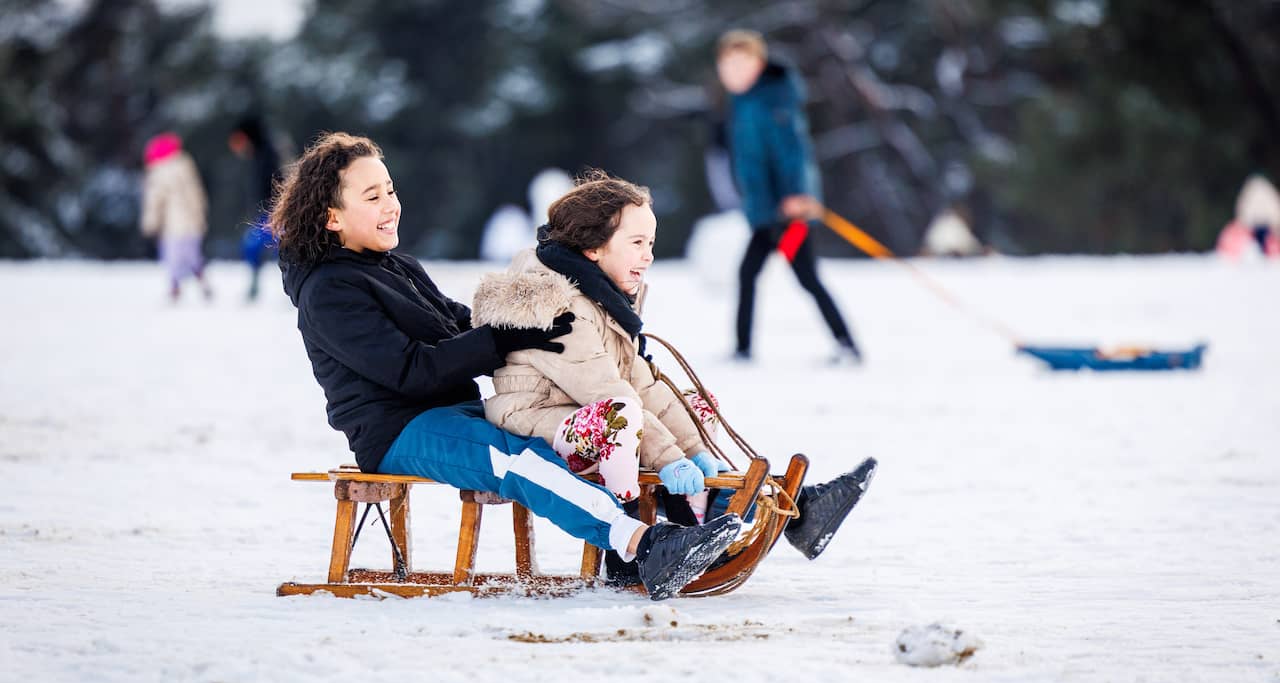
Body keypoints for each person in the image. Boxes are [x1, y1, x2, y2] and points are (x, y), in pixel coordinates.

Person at [270, 132, 741, 600]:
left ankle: (701, 513)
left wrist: (544, 325)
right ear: (331, 217)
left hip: (460, 412)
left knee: (581, 430)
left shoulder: (395, 266)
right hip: (399, 429)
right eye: (372, 196)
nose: (390, 204)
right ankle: (640, 544)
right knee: (519, 461)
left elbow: (461, 324)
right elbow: (412, 370)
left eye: (390, 190)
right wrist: (503, 338)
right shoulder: (329, 292)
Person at [470, 170, 878, 582]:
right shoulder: (559, 305)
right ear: (593, 248)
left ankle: (783, 512)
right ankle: (636, 552)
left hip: (584, 410)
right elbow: (608, 392)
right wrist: (671, 459)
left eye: (650, 242)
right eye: (636, 243)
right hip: (534, 418)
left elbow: (642, 383)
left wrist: (696, 450)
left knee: (694, 405)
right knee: (621, 418)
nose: (648, 255)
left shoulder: (604, 293)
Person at [716, 29, 862, 365]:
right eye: (727, 65)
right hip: (765, 213)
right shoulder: (743, 101)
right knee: (749, 273)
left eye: (742, 63)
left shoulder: (774, 98)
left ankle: (847, 345)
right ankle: (742, 348)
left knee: (804, 276)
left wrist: (799, 195)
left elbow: (794, 152)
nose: (733, 72)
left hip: (787, 214)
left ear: (759, 64)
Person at [140, 132, 213, 302]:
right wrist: (201, 217)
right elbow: (198, 196)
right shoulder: (186, 166)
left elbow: (154, 201)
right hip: (192, 223)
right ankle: (203, 282)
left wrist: (150, 223)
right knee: (193, 255)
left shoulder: (159, 171)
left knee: (172, 257)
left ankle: (174, 288)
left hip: (172, 224)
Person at [228, 115, 283, 300]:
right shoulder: (259, 153)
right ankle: (255, 284)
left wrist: (277, 208)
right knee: (254, 247)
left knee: (280, 249)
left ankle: (291, 287)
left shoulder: (271, 152)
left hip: (276, 212)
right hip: (265, 212)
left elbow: (280, 181)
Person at [1233, 174, 1280, 257]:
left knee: (1258, 243)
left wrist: (1244, 222)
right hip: (1264, 225)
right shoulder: (1268, 193)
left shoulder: (1250, 193)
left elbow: (1244, 209)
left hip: (1257, 225)